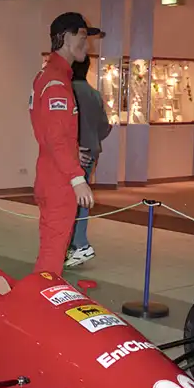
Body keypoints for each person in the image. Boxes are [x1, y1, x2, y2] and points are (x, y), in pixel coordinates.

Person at [30, 12, 104, 275]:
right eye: (82, 36)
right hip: (58, 181)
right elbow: (55, 137)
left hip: (51, 172)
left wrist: (73, 152)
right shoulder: (56, 82)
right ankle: (42, 298)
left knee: (51, 251)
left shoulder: (49, 75)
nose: (87, 43)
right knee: (52, 257)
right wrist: (77, 178)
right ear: (64, 37)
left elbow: (51, 132)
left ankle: (41, 294)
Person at [66, 55, 112, 269]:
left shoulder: (69, 92)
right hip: (91, 150)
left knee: (75, 199)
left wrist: (77, 145)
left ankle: (79, 244)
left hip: (76, 152)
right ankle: (75, 243)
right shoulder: (94, 94)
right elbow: (104, 126)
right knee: (81, 196)